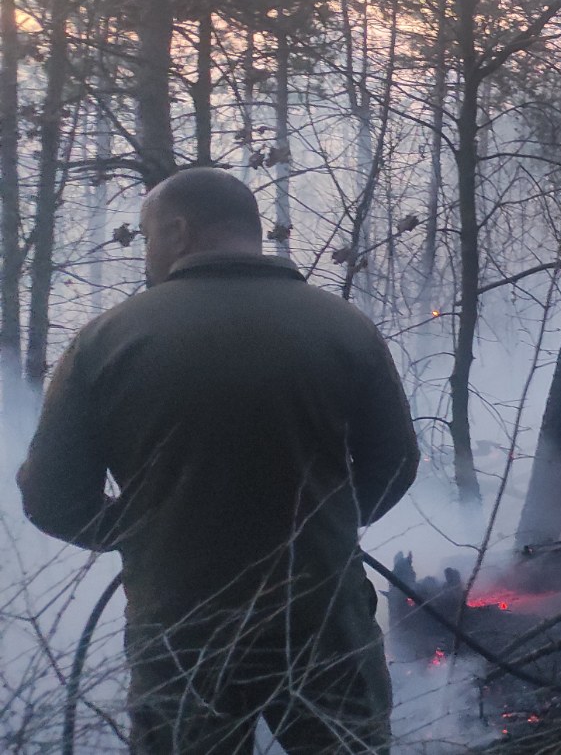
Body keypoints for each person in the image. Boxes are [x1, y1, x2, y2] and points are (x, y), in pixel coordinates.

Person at [16, 167, 419, 754]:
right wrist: (325, 529)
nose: (147, 253)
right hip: (322, 616)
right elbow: (395, 462)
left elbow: (51, 497)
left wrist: (143, 534)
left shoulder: (106, 342)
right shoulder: (344, 328)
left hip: (183, 626)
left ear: (179, 231)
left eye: (149, 236)